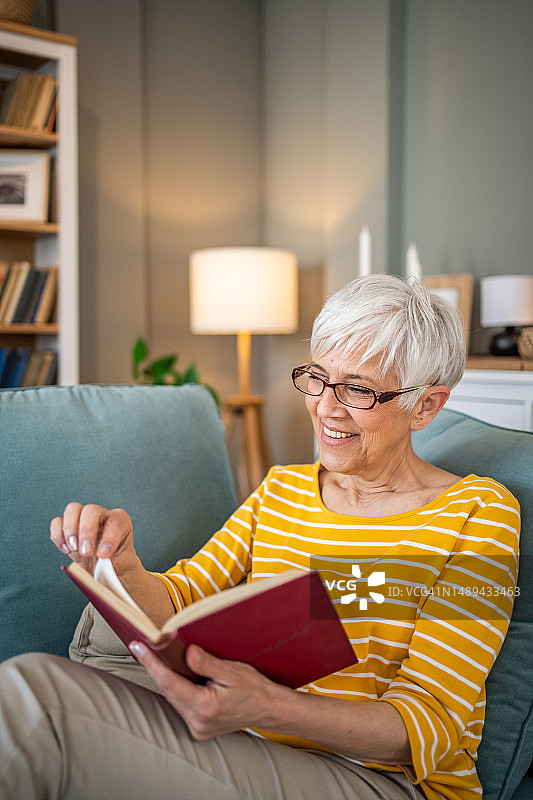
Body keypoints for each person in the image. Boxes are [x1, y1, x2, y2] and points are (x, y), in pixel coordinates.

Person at [0, 275, 519, 800]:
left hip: (381, 781)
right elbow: (177, 605)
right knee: (31, 686)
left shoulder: (478, 513)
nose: (327, 407)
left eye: (359, 389)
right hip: (249, 745)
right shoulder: (282, 489)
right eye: (318, 377)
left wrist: (270, 706)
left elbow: (429, 725)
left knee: (39, 702)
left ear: (426, 407)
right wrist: (119, 566)